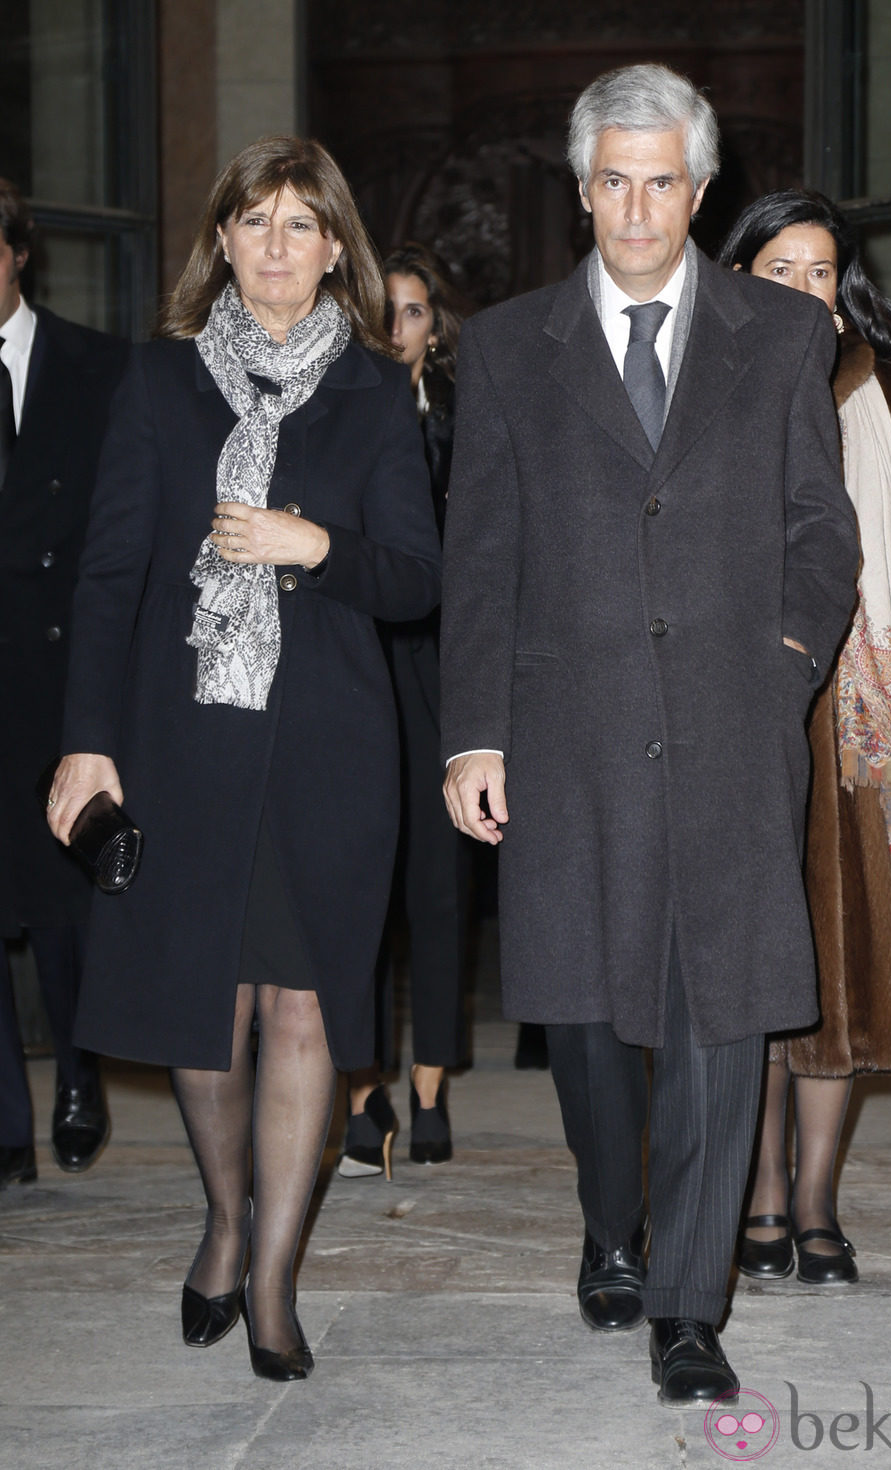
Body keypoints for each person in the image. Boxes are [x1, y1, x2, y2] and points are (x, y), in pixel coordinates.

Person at [440, 63, 858, 1407]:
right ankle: (610, 1219)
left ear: (699, 187)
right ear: (582, 192)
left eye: (660, 179)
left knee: (716, 1014)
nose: (635, 206)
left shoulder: (785, 337)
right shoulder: (508, 348)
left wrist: (789, 658)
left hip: (737, 727)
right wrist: (473, 736)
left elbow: (821, 533)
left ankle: (688, 1299)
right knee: (583, 1020)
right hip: (569, 735)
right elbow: (481, 559)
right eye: (610, 181)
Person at [45, 136, 441, 1381]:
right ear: (221, 240)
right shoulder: (158, 385)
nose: (277, 246)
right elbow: (108, 577)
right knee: (204, 1013)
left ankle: (271, 1279)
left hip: (328, 747)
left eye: (302, 226)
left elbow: (418, 579)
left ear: (337, 249)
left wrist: (309, 542)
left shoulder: (378, 390)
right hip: (180, 740)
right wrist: (84, 744)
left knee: (306, 1002)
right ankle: (224, 1218)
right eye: (255, 223)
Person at [717, 188, 891, 1286]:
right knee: (752, 970)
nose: (800, 288)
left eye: (818, 270)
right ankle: (756, 1197)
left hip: (867, 719)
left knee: (845, 975)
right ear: (736, 279)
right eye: (777, 267)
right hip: (734, 713)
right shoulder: (696, 387)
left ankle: (812, 1203)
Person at [0, 179, 125, 1189]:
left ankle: (79, 1072)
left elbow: (122, 539)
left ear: (16, 253)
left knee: (63, 899)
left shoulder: (97, 366)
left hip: (59, 668)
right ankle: (4, 1124)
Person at [339, 243, 469, 1176]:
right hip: (352, 664)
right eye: (383, 308)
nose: (396, 326)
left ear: (436, 326)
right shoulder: (335, 415)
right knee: (353, 887)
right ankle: (356, 1089)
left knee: (439, 886)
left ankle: (429, 1087)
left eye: (413, 310)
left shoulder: (466, 421)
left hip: (443, 672)